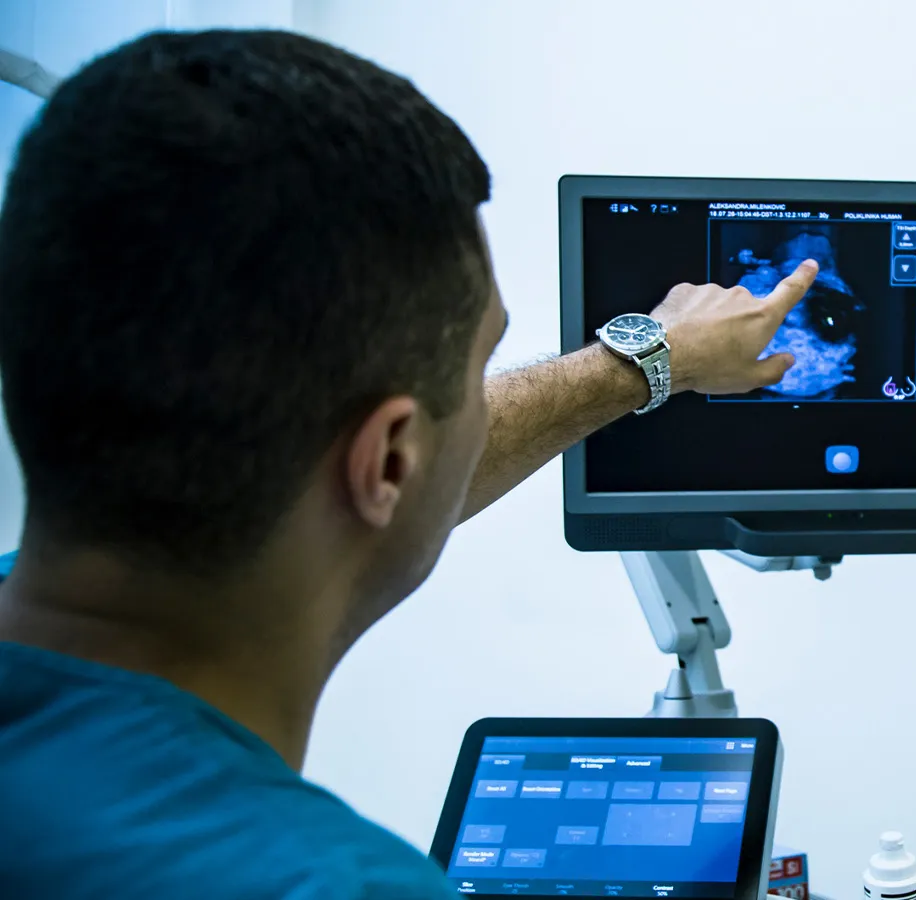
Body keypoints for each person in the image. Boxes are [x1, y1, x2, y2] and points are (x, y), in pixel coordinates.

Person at [0, 29, 817, 899]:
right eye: (479, 370)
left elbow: (390, 457)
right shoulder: (338, 884)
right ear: (388, 459)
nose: (485, 400)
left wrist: (649, 359)